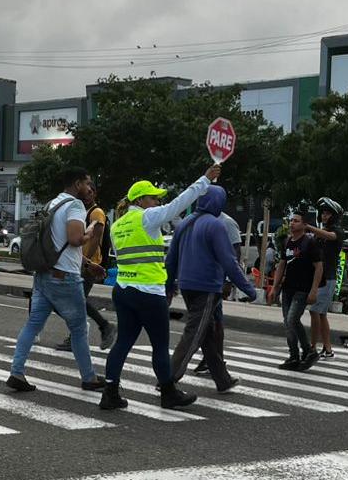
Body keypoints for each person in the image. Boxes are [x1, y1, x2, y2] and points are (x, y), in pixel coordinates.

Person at [100, 165, 219, 410]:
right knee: (159, 346)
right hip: (148, 293)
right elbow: (179, 202)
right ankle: (168, 392)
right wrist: (205, 180)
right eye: (153, 197)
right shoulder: (147, 217)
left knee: (122, 342)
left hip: (123, 290)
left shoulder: (117, 225)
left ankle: (109, 392)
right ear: (141, 200)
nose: (156, 201)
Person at [6, 167, 106, 393]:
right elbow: (74, 239)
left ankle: (16, 371)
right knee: (80, 327)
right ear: (78, 183)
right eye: (87, 183)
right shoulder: (75, 205)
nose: (89, 188)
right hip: (64, 279)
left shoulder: (53, 204)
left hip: (44, 274)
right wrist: (91, 229)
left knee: (33, 325)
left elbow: (58, 244)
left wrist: (88, 265)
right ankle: (89, 377)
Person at [169, 184, 257, 393]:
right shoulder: (215, 225)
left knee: (206, 332)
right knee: (194, 333)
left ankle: (222, 378)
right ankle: (168, 379)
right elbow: (229, 261)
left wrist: (169, 285)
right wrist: (248, 289)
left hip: (186, 285)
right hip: (207, 286)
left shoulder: (184, 223)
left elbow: (171, 258)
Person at [57, 182, 116, 352]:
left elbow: (96, 238)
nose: (87, 195)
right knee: (75, 302)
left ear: (95, 194)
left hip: (87, 265)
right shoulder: (81, 210)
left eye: (91, 192)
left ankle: (103, 327)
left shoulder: (96, 212)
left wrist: (87, 263)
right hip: (80, 262)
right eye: (85, 192)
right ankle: (96, 329)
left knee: (76, 301)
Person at [266, 210, 324, 371]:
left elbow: (319, 267)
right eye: (291, 220)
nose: (292, 223)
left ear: (305, 225)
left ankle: (307, 350)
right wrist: (275, 287)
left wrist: (314, 290)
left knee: (292, 320)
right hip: (288, 288)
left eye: (297, 221)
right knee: (289, 322)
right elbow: (282, 265)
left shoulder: (309, 243)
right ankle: (296, 356)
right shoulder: (287, 242)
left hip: (303, 289)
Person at [308, 199, 345, 358]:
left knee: (315, 311)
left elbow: (331, 236)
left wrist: (309, 227)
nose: (324, 216)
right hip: (318, 277)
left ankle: (312, 347)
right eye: (323, 213)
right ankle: (327, 348)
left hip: (328, 277)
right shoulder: (319, 234)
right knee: (321, 314)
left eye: (328, 213)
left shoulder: (337, 231)